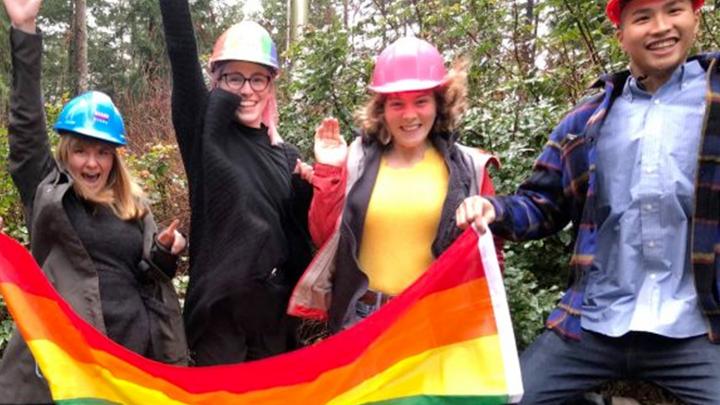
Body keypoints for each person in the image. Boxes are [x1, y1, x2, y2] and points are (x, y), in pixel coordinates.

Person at [456, 0, 720, 403]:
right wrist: (496, 210)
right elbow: (543, 203)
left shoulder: (714, 104)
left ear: (695, 17)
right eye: (643, 17)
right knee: (512, 399)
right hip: (595, 324)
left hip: (695, 327)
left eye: (674, 10)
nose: (661, 27)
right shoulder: (588, 120)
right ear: (622, 34)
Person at [0, 0, 188, 402]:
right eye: (82, 150)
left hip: (131, 362)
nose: (92, 162)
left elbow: (145, 277)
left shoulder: (132, 206)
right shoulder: (49, 194)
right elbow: (26, 129)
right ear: (66, 151)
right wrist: (26, 29)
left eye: (103, 153)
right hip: (73, 366)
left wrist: (164, 255)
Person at [290, 36, 501, 333]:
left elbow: (490, 255)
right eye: (397, 103)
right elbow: (324, 234)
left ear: (439, 104)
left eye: (421, 101)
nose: (410, 114)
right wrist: (329, 169)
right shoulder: (357, 160)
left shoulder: (470, 168)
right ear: (382, 109)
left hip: (431, 322)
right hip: (361, 319)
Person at [158, 0, 314, 365]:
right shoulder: (205, 134)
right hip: (218, 322)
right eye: (234, 78)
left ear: (270, 85)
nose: (246, 89)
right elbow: (181, 51)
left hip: (273, 323)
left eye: (257, 78)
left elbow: (294, 238)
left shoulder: (286, 156)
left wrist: (306, 190)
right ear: (216, 81)